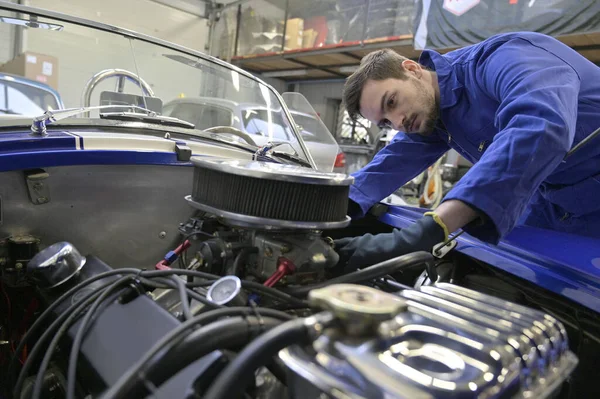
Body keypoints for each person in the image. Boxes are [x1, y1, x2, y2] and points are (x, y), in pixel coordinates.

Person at [335, 31, 600, 270]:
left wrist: (432, 228)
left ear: (412, 69)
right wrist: (332, 208)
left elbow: (540, 125)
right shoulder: (431, 115)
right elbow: (390, 163)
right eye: (385, 122)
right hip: (551, 203)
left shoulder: (505, 57)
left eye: (391, 102)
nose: (398, 122)